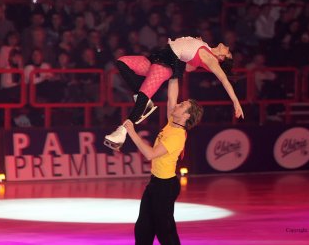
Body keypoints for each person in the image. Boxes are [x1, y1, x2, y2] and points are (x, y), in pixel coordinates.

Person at [104, 36, 244, 150]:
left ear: (221, 58)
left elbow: (224, 80)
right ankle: (144, 104)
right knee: (122, 62)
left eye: (228, 53)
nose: (228, 48)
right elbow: (188, 65)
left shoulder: (211, 59)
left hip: (166, 64)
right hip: (158, 57)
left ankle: (122, 132)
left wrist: (236, 103)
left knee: (144, 94)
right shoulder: (205, 47)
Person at [123, 80, 204, 245]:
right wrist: (174, 73)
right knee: (143, 227)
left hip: (165, 187)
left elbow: (150, 154)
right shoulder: (171, 123)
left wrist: (131, 131)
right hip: (155, 183)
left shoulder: (177, 135)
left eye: (182, 106)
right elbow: (171, 97)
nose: (178, 105)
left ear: (186, 115)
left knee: (165, 231)